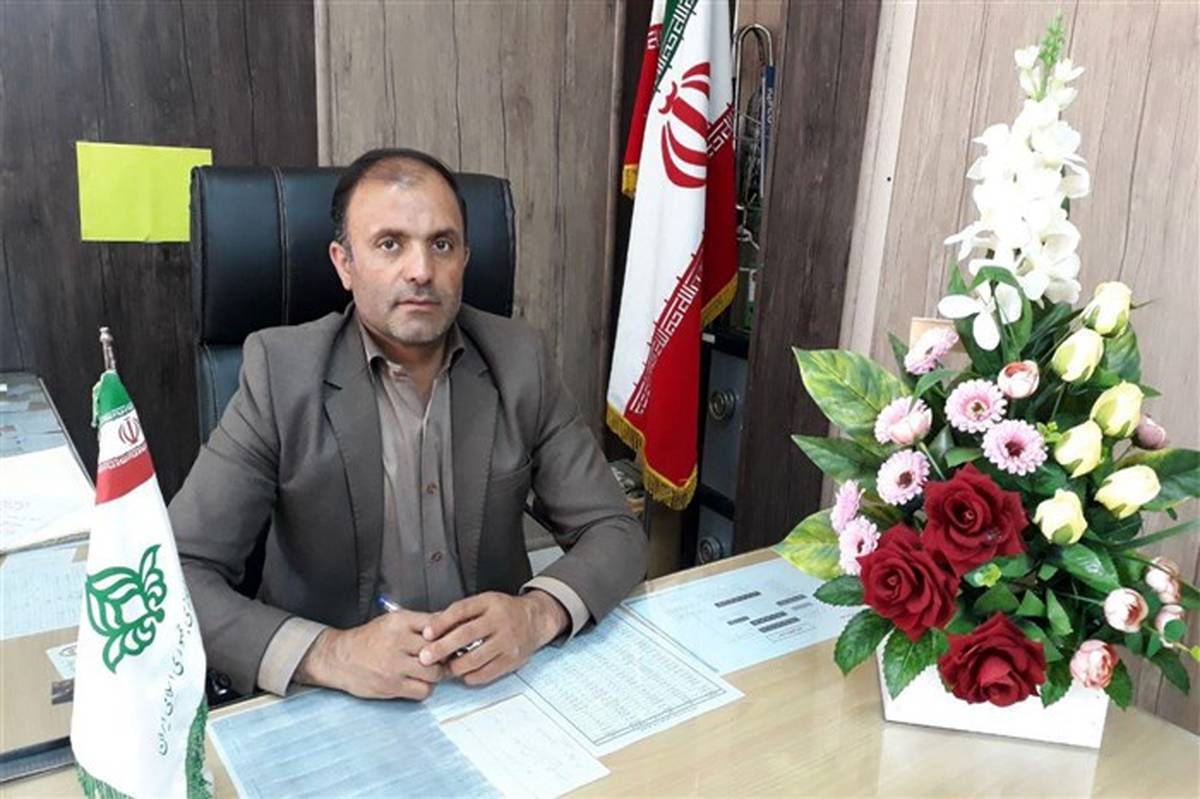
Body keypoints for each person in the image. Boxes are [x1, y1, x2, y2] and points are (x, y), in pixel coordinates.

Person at [170, 148, 647, 702]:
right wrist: (330, 653)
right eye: (390, 244)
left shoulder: (521, 361)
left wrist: (536, 614)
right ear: (344, 264)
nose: (421, 270)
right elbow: (177, 572)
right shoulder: (280, 373)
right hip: (334, 695)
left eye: (441, 244)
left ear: (464, 259)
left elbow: (614, 531)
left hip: (490, 687)